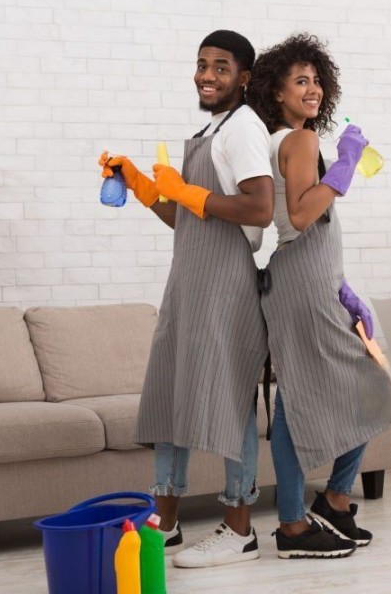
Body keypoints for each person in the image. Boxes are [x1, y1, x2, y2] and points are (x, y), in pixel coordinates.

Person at [99, 30, 274, 569]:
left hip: (223, 283)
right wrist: (144, 188)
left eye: (221, 67)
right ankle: (164, 522)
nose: (207, 74)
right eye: (201, 64)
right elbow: (188, 219)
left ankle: (240, 526)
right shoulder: (211, 128)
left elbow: (260, 208)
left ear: (243, 77)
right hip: (189, 277)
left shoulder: (244, 128)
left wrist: (190, 192)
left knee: (228, 399)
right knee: (171, 393)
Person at [247, 33, 391, 559]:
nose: (311, 89)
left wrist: (340, 285)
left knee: (301, 401)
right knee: (371, 389)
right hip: (302, 282)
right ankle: (312, 512)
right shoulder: (299, 141)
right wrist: (348, 162)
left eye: (316, 80)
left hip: (307, 278)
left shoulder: (287, 141)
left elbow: (299, 229)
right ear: (276, 93)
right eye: (300, 81)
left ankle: (319, 510)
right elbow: (299, 214)